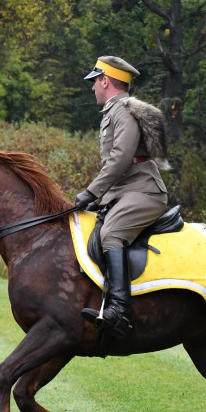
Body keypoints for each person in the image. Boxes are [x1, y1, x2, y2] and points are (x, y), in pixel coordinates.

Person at [75, 56, 169, 339]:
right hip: (128, 191)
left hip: (145, 192)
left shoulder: (123, 112)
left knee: (111, 234)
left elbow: (120, 159)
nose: (92, 88)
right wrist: (97, 198)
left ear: (105, 81)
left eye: (95, 82)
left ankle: (119, 311)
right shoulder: (113, 112)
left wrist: (91, 192)